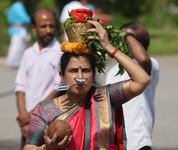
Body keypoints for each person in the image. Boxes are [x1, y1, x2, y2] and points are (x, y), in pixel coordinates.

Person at [23, 18, 150, 150]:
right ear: (62, 76)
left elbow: (142, 80)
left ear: (94, 76)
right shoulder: (45, 111)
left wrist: (109, 47)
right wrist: (46, 148)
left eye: (85, 71)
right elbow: (29, 147)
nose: (80, 77)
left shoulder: (106, 97)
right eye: (73, 71)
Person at [105, 22, 159, 150]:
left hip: (139, 141)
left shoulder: (151, 65)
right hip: (117, 141)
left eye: (126, 39)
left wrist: (127, 34)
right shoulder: (113, 72)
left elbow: (144, 59)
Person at [15, 8, 62, 149]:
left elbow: (57, 89)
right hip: (27, 123)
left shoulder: (61, 53)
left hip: (49, 124)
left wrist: (31, 117)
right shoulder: (28, 53)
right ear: (34, 28)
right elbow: (20, 88)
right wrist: (24, 118)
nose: (48, 30)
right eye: (43, 26)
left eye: (51, 26)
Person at [6, 0, 31, 69]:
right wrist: (33, 20)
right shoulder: (19, 6)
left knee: (22, 47)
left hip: (16, 29)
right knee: (16, 47)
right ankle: (10, 63)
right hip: (18, 30)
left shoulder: (14, 5)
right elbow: (24, 17)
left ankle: (21, 63)